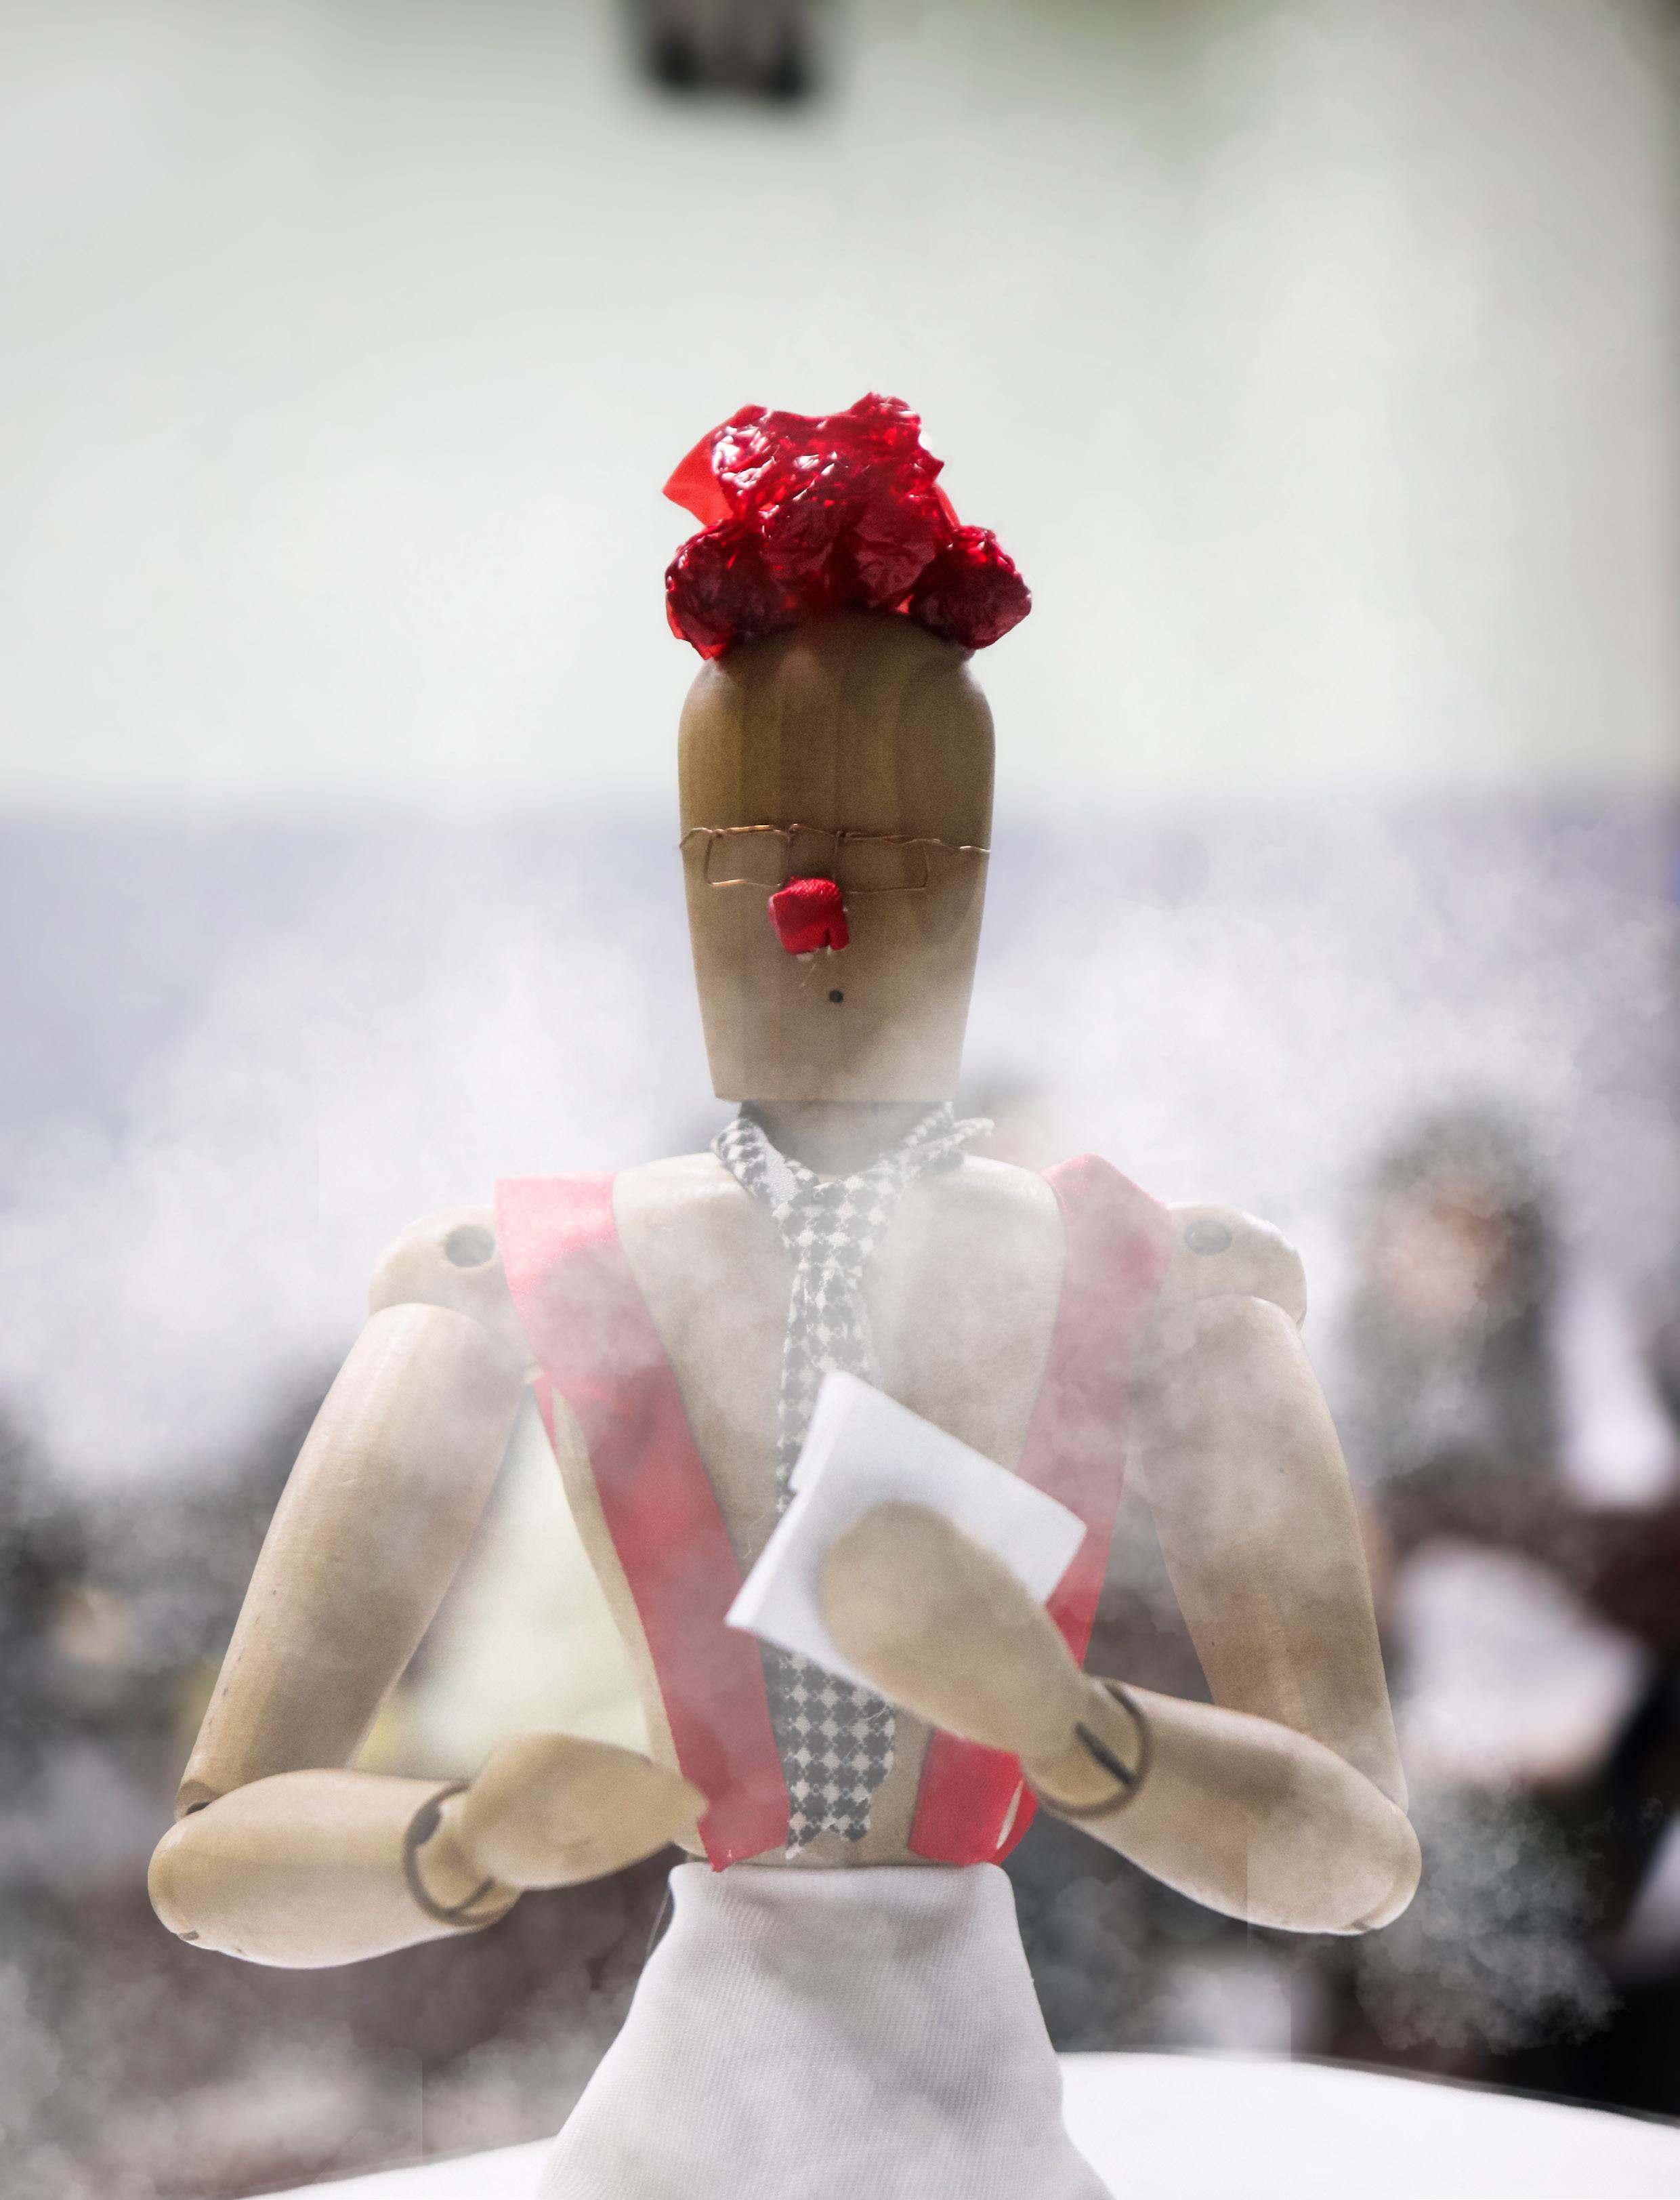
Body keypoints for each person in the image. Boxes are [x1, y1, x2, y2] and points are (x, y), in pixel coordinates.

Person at [149, 396, 1416, 2196]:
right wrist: (457, 1839)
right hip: (690, 2111)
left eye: (896, 876)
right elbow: (212, 1863)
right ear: (694, 881)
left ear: (976, 885)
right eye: (765, 875)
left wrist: (1072, 1729)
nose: (821, 926)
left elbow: (1357, 1857)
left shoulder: (1172, 1288)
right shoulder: (498, 1279)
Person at [1324, 1103, 1680, 2104]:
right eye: (1429, 1223)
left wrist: (1439, 1514)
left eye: (1477, 1229)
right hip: (1405, 1746)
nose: (1450, 1257)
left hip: (1576, 1750)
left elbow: (1633, 1538)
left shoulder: (1567, 1345)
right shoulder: (1345, 1347)